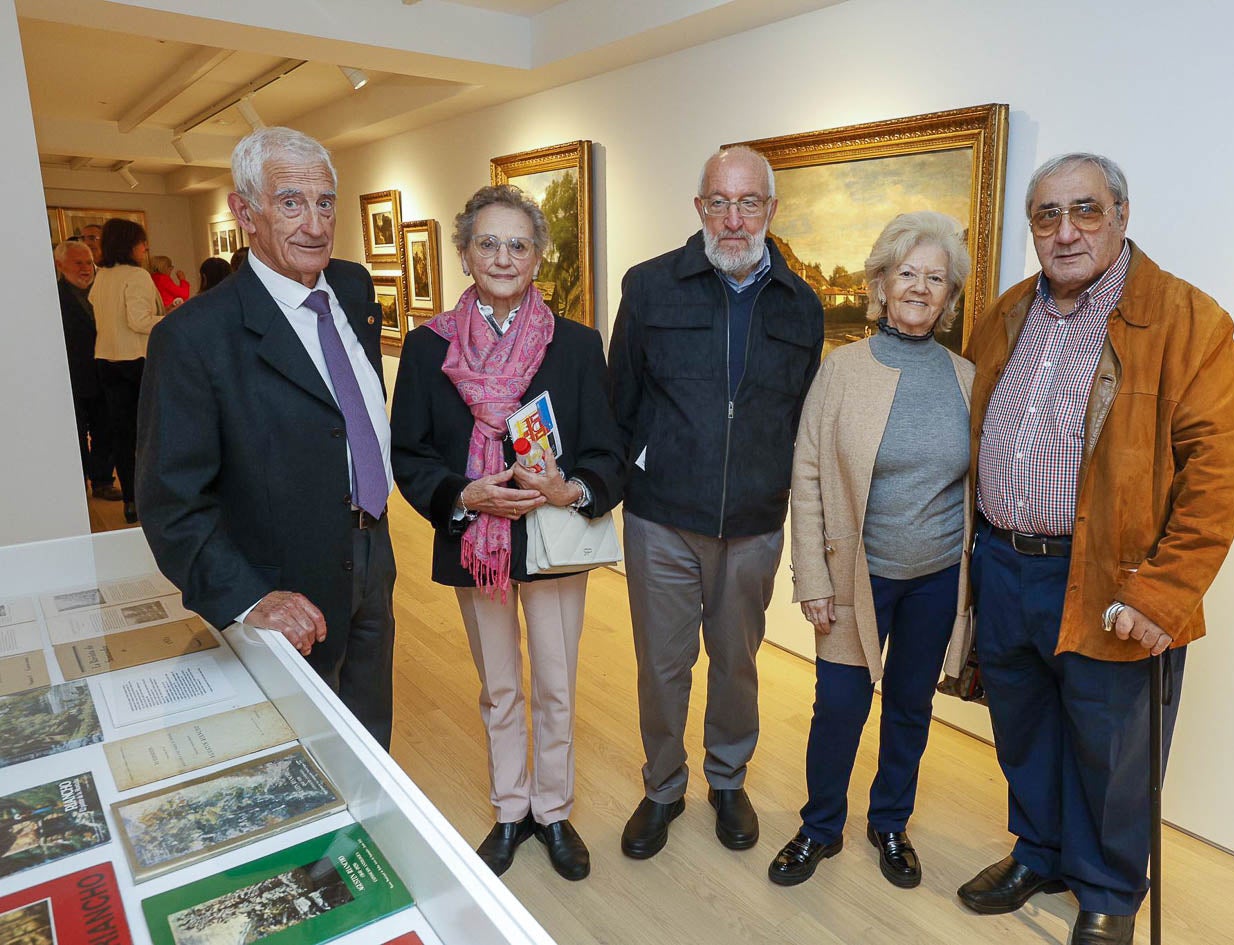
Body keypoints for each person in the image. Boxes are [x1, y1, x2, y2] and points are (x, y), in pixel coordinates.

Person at [959, 153, 1234, 945]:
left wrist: (1163, 594)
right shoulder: (1008, 312)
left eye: (1083, 210)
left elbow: (1216, 474)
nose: (1064, 232)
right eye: (1046, 216)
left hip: (1109, 578)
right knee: (1022, 727)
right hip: (1004, 562)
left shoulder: (1188, 321)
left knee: (1112, 748)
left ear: (1120, 215)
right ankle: (1040, 852)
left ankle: (1107, 890)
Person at [136, 126, 398, 748]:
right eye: (290, 202)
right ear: (244, 212)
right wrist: (251, 598)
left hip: (372, 555)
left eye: (325, 201)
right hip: (282, 580)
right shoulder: (196, 338)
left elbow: (346, 414)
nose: (315, 223)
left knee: (368, 735)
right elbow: (172, 502)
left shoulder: (355, 290)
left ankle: (363, 843)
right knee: (294, 753)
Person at [391, 184, 624, 882]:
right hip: (475, 542)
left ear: (537, 258)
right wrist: (464, 492)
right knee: (499, 688)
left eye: (517, 243)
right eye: (487, 242)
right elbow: (409, 453)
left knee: (554, 684)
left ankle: (552, 811)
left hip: (552, 540)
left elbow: (607, 451)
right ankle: (509, 808)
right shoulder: (428, 346)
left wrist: (569, 488)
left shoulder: (576, 344)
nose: (502, 255)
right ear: (464, 253)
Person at [608, 146, 823, 859]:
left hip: (756, 522)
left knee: (736, 663)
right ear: (699, 208)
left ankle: (727, 780)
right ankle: (663, 786)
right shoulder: (648, 287)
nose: (734, 219)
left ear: (770, 210)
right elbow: (621, 401)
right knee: (662, 665)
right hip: (661, 517)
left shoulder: (802, 304)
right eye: (719, 202)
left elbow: (800, 417)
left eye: (749, 203)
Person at [768, 211, 974, 889]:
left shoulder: (967, 378)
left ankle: (889, 822)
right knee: (839, 706)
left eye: (935, 278)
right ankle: (819, 825)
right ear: (881, 284)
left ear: (948, 296)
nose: (919, 287)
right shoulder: (842, 370)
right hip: (855, 576)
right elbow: (806, 472)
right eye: (906, 273)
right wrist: (811, 578)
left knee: (911, 707)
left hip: (935, 579)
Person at [91, 218, 164, 524]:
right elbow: (139, 320)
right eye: (141, 241)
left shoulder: (103, 275)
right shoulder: (136, 276)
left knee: (122, 436)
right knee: (149, 434)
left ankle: (132, 501)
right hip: (135, 361)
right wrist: (170, 318)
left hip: (105, 359)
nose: (145, 247)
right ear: (129, 244)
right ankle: (152, 499)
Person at [54, 240, 120, 502]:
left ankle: (103, 481)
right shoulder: (53, 296)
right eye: (78, 263)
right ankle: (77, 485)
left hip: (105, 371)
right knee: (76, 435)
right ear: (60, 265)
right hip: (71, 375)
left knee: (106, 429)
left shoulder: (104, 290)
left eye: (88, 262)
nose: (85, 268)